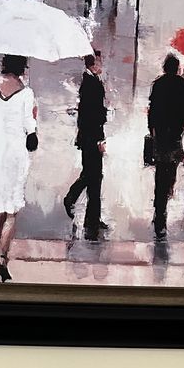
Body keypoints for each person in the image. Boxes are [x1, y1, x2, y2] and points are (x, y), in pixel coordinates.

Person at [0, 55, 38, 282]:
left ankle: (0, 252)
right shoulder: (27, 92)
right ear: (22, 66)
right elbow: (30, 127)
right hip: (16, 151)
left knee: (1, 207)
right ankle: (3, 258)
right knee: (12, 211)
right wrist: (32, 128)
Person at [64, 51, 108, 239]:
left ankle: (92, 217)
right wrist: (100, 139)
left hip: (88, 136)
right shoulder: (92, 84)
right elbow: (93, 116)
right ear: (93, 64)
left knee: (92, 175)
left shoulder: (91, 82)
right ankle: (74, 200)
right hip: (92, 137)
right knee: (94, 176)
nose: (102, 65)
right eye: (99, 62)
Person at [147, 54, 184, 240]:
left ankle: (159, 211)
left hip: (161, 134)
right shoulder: (182, 84)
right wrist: (181, 130)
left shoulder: (158, 84)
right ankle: (167, 194)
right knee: (171, 167)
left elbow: (152, 109)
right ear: (177, 67)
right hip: (174, 135)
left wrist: (153, 130)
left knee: (160, 171)